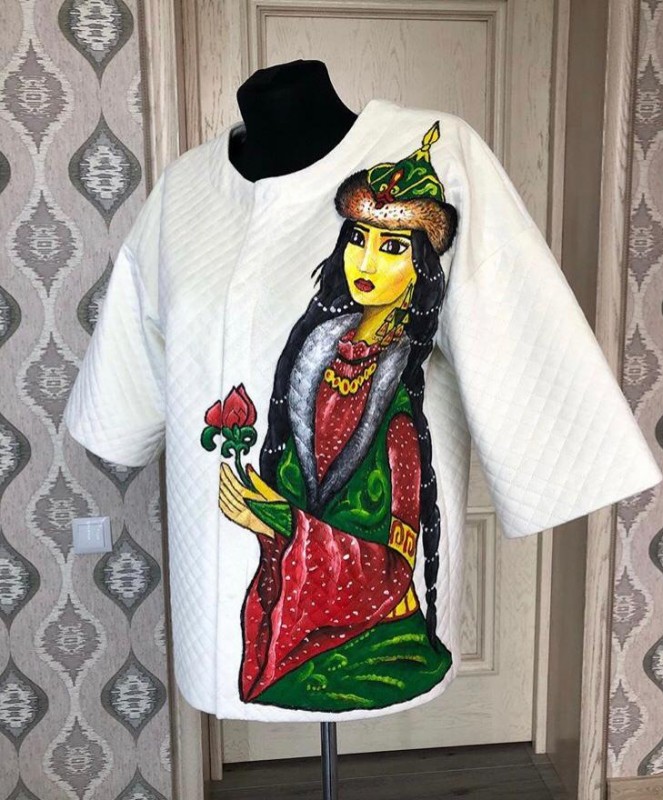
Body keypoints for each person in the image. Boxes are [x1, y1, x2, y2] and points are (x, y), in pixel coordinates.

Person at [216, 121, 459, 712]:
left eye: (393, 247)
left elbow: (395, 562)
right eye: (358, 238)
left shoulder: (399, 411)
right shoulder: (316, 353)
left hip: (371, 636)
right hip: (298, 613)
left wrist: (280, 520)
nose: (366, 260)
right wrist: (267, 506)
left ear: (422, 268)